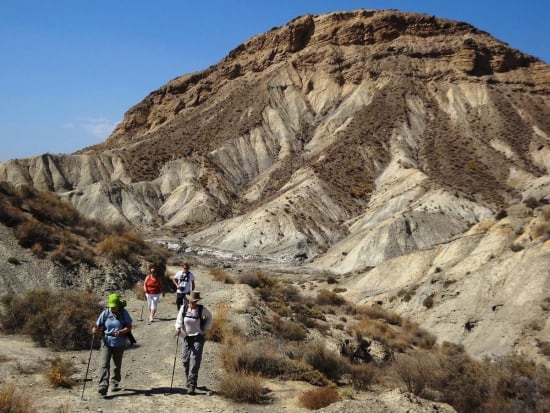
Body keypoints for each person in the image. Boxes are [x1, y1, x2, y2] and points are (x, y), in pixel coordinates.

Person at [92, 293, 133, 396]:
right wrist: (95, 329)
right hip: (106, 341)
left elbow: (129, 327)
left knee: (116, 365)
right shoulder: (105, 313)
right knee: (104, 364)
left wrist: (121, 332)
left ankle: (115, 382)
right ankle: (103, 386)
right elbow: (97, 325)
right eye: (111, 306)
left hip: (119, 343)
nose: (113, 308)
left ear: (118, 305)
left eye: (114, 306)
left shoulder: (124, 313)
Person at [174, 291, 212, 395]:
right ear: (189, 300)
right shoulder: (184, 308)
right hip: (185, 337)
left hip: (198, 337)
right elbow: (179, 320)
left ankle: (192, 385)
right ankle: (188, 379)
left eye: (195, 301)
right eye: (192, 301)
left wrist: (205, 329)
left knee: (195, 360)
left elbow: (209, 317)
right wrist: (178, 328)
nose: (193, 303)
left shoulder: (201, 309)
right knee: (185, 360)